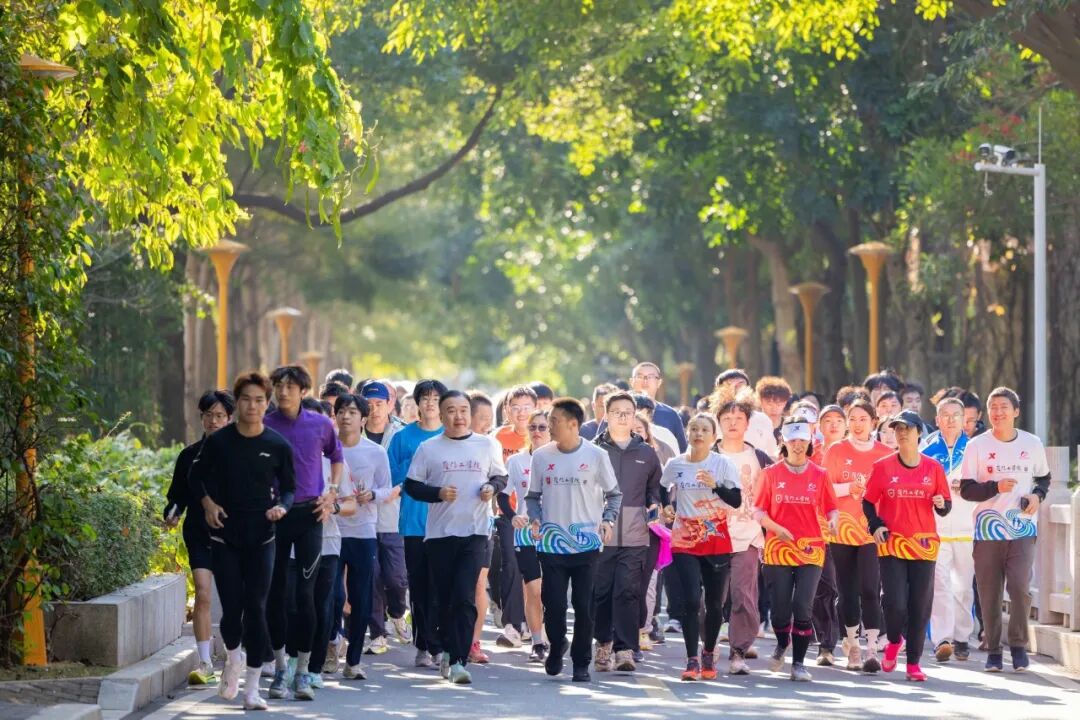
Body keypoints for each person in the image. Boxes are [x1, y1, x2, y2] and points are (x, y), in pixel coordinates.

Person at [190, 372, 295, 711]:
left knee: (257, 608)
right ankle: (233, 658)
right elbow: (196, 477)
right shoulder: (219, 442)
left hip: (262, 538)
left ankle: (252, 689)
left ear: (267, 404)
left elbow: (290, 489)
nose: (252, 405)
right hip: (225, 537)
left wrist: (282, 507)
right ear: (238, 403)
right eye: (246, 399)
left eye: (259, 400)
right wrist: (208, 504)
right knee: (232, 611)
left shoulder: (277, 445)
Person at [404, 390, 508, 685]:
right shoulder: (429, 448)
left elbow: (501, 477)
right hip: (440, 535)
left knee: (464, 596)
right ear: (441, 414)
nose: (458, 416)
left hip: (475, 532)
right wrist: (437, 493)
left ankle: (459, 661)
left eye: (463, 410)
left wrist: (491, 488)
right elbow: (412, 486)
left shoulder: (487, 444)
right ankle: (447, 650)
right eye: (451, 410)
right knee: (444, 598)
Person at [525, 397, 623, 682]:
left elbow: (614, 494)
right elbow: (532, 497)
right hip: (551, 543)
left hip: (586, 543)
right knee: (554, 604)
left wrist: (607, 521)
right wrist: (535, 518)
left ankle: (581, 662)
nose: (549, 426)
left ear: (573, 424)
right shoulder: (541, 456)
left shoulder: (596, 455)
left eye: (554, 421)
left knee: (584, 605)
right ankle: (557, 646)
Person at [263, 365, 343, 701]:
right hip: (276, 517)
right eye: (278, 386)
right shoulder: (264, 423)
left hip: (310, 514)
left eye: (290, 387)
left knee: (306, 596)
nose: (283, 392)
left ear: (303, 391)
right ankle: (281, 669)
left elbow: (336, 457)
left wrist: (332, 492)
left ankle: (304, 672)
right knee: (277, 594)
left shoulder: (320, 424)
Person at [960, 386, 1051, 673]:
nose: (998, 412)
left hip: (1022, 528)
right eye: (993, 407)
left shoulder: (1032, 443)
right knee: (989, 592)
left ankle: (1019, 646)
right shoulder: (976, 446)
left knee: (1020, 587)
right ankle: (994, 650)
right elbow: (967, 490)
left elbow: (1043, 479)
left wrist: (1037, 496)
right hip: (987, 530)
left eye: (1003, 407)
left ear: (1016, 411)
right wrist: (994, 487)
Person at [863, 410, 952, 681]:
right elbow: (868, 501)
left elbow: (945, 505)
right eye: (898, 429)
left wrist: (942, 504)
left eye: (907, 429)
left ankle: (913, 663)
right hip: (892, 544)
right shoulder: (883, 467)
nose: (902, 433)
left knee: (919, 605)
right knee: (895, 602)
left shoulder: (933, 468)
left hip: (924, 545)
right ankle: (894, 640)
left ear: (919, 432)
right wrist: (875, 524)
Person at [754, 417, 838, 682]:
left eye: (803, 440)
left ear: (810, 441)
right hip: (778, 548)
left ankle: (799, 664)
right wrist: (776, 529)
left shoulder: (820, 475)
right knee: (780, 611)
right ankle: (782, 643)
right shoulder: (770, 474)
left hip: (811, 548)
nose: (798, 445)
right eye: (793, 440)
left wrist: (834, 520)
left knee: (803, 606)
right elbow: (758, 512)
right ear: (784, 442)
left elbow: (832, 508)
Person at [661, 414, 742, 681]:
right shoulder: (676, 464)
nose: (698, 433)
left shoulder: (723, 464)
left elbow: (736, 501)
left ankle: (708, 653)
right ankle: (691, 660)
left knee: (715, 604)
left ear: (713, 436)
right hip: (684, 539)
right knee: (691, 600)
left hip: (715, 539)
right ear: (687, 433)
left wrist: (715, 486)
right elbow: (662, 487)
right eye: (694, 429)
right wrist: (667, 505)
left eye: (705, 430)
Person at [165, 390, 234, 686]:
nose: (213, 421)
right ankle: (205, 663)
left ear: (229, 419)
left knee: (234, 600)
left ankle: (236, 656)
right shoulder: (189, 456)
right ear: (201, 418)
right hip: (198, 532)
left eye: (219, 416)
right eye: (208, 415)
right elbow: (177, 496)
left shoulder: (241, 455)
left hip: (233, 535)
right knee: (203, 594)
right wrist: (172, 512)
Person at [593, 391, 662, 673]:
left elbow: (654, 489)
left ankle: (625, 650)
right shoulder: (593, 450)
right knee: (601, 592)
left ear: (635, 417)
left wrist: (655, 504)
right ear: (606, 415)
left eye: (628, 413)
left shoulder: (647, 453)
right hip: (600, 533)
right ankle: (603, 643)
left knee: (628, 591)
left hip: (635, 533)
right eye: (616, 412)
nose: (622, 417)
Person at [821, 398, 891, 672]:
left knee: (871, 588)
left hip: (871, 531)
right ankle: (852, 646)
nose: (858, 425)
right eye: (853, 419)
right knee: (847, 590)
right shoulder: (837, 450)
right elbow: (824, 489)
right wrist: (849, 487)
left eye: (864, 419)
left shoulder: (885, 453)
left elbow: (890, 492)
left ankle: (872, 647)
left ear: (874, 422)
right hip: (842, 529)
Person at [290, 398, 355, 689]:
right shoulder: (283, 455)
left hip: (327, 544)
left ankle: (314, 667)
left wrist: (333, 507)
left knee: (321, 605)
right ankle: (291, 660)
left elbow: (351, 503)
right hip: (290, 546)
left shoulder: (335, 462)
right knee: (291, 604)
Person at [331, 393, 392, 680]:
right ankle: (332, 643)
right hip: (330, 532)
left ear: (363, 419)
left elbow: (386, 488)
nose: (346, 416)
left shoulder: (375, 452)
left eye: (352, 412)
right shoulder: (326, 450)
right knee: (332, 596)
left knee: (361, 597)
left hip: (363, 531)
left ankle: (353, 661)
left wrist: (373, 494)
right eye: (341, 411)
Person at [387, 380, 447, 669]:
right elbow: (390, 474)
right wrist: (416, 464)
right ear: (417, 403)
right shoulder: (403, 438)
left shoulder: (451, 436)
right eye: (425, 398)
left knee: (439, 588)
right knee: (420, 587)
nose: (430, 403)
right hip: (413, 523)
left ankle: (434, 644)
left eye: (436, 398)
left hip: (446, 523)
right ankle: (424, 644)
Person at [715, 399, 771, 675]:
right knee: (711, 598)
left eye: (738, 418)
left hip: (747, 536)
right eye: (727, 418)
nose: (733, 423)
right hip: (711, 536)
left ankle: (738, 651)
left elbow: (773, 493)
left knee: (743, 595)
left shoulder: (760, 458)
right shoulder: (707, 454)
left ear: (748, 423)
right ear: (718, 423)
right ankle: (708, 645)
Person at [920, 397, 976, 662]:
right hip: (936, 528)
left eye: (956, 415)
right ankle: (943, 639)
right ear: (937, 420)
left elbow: (986, 484)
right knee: (940, 584)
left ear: (965, 420)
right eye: (945, 415)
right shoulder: (926, 449)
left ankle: (963, 637)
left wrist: (967, 488)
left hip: (967, 526)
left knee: (963, 587)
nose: (951, 419)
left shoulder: (975, 449)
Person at [356, 380, 410, 656]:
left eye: (380, 403)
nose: (375, 409)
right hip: (361, 518)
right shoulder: (353, 434)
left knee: (397, 578)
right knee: (372, 577)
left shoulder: (401, 434)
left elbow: (412, 470)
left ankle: (398, 611)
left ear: (390, 404)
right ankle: (378, 633)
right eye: (370, 404)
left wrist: (396, 490)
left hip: (393, 517)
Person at [497, 409, 551, 662]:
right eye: (533, 427)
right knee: (533, 589)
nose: (537, 432)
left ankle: (551, 635)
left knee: (552, 590)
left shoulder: (562, 459)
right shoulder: (516, 461)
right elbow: (502, 495)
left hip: (555, 534)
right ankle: (538, 642)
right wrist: (512, 516)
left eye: (542, 427)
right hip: (526, 533)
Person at [714, 370, 778, 457]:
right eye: (729, 385)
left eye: (740, 385)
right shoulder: (710, 421)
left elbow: (772, 454)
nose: (735, 389)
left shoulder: (763, 420)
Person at [629, 362, 688, 452]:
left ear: (659, 382)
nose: (645, 380)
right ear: (631, 382)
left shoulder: (670, 415)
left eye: (651, 377)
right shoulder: (618, 412)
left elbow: (682, 451)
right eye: (640, 376)